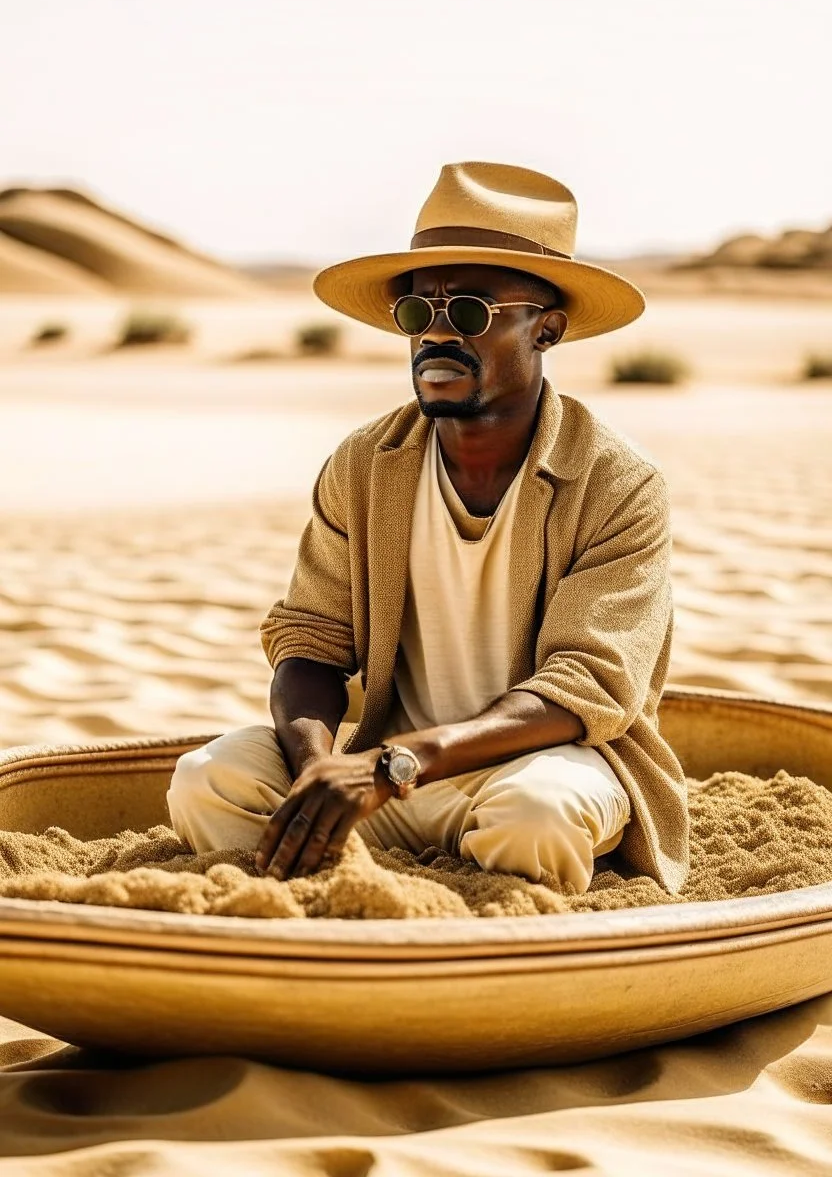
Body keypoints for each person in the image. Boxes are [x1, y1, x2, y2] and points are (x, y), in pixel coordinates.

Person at [167, 162, 689, 896]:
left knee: (536, 817)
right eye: (418, 312)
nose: (437, 332)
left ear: (548, 329)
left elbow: (587, 685)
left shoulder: (615, 481)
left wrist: (396, 764)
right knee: (207, 780)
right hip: (385, 773)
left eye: (471, 310)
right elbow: (310, 640)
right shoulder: (364, 464)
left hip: (527, 771)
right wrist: (321, 764)